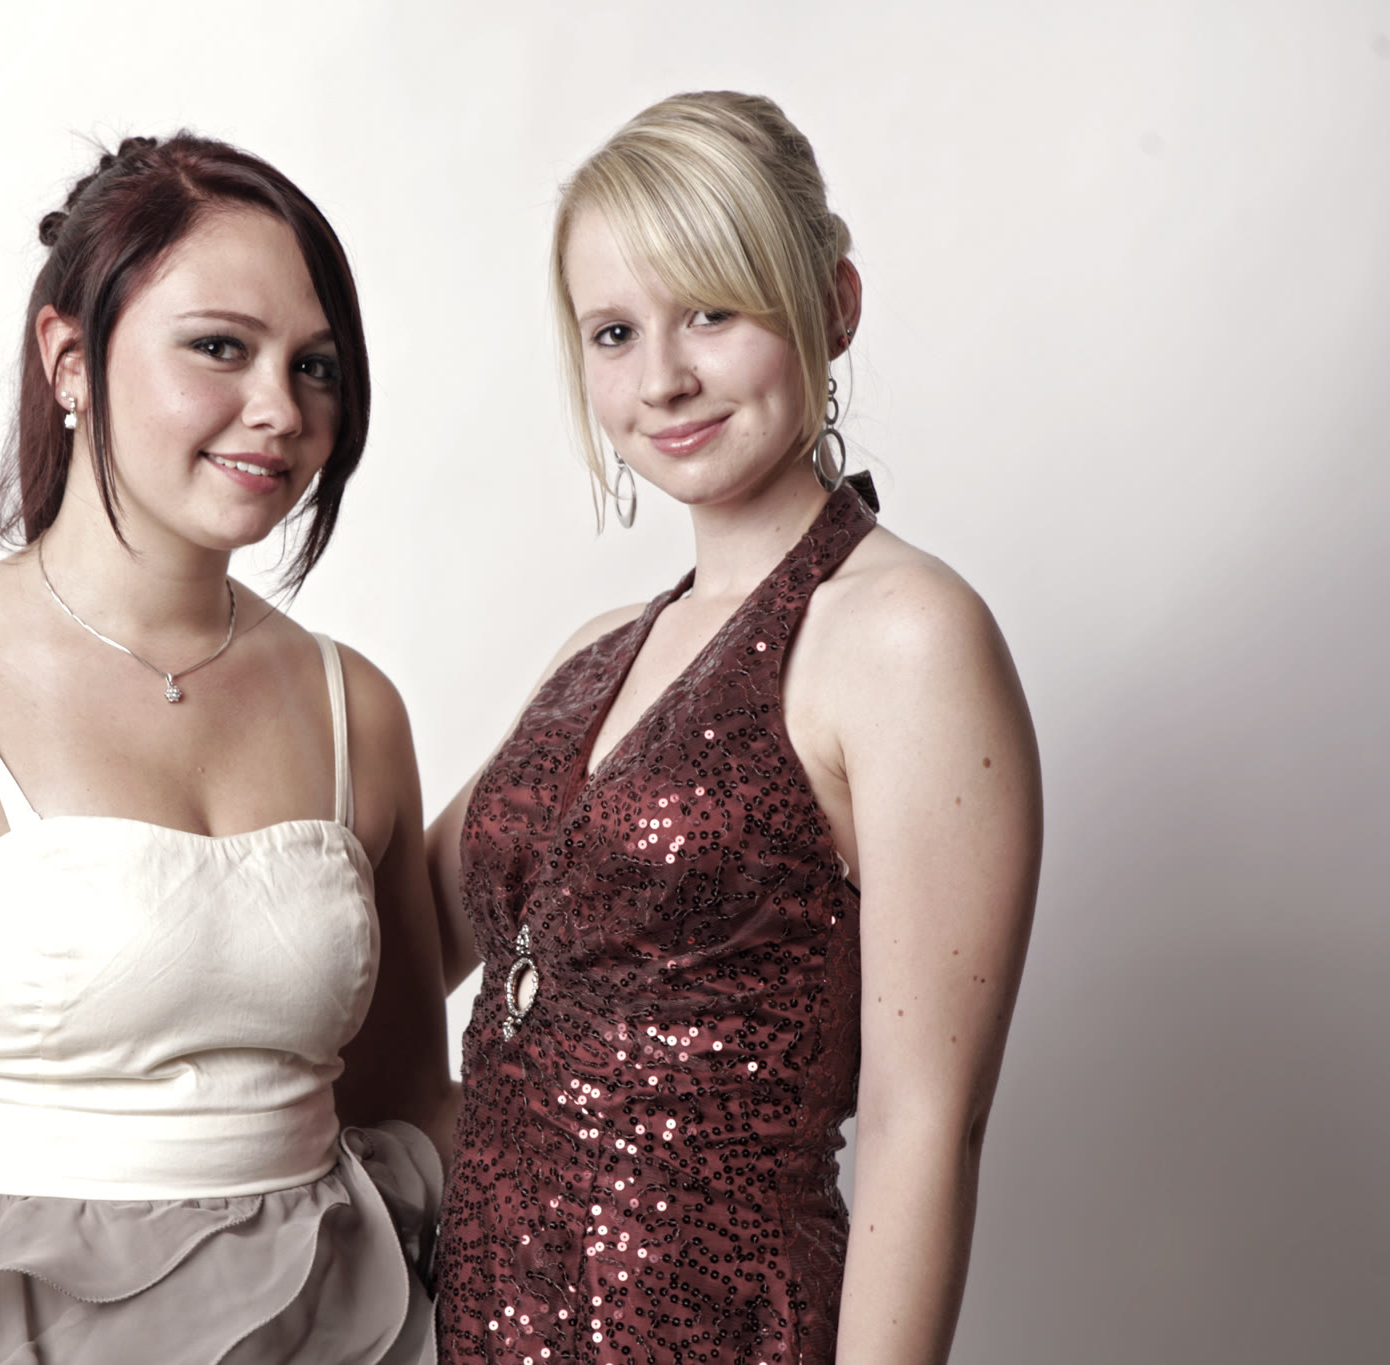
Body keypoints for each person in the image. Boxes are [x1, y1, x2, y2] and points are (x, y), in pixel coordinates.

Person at [0, 133, 455, 1365]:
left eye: (314, 365)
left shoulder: (353, 710)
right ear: (68, 359)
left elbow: (406, 1108)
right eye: (219, 347)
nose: (280, 409)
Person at [428, 93, 1042, 1365]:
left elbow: (924, 1129)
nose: (661, 378)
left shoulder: (903, 637)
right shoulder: (594, 651)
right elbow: (381, 938)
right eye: (613, 332)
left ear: (833, 306)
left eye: (711, 311)